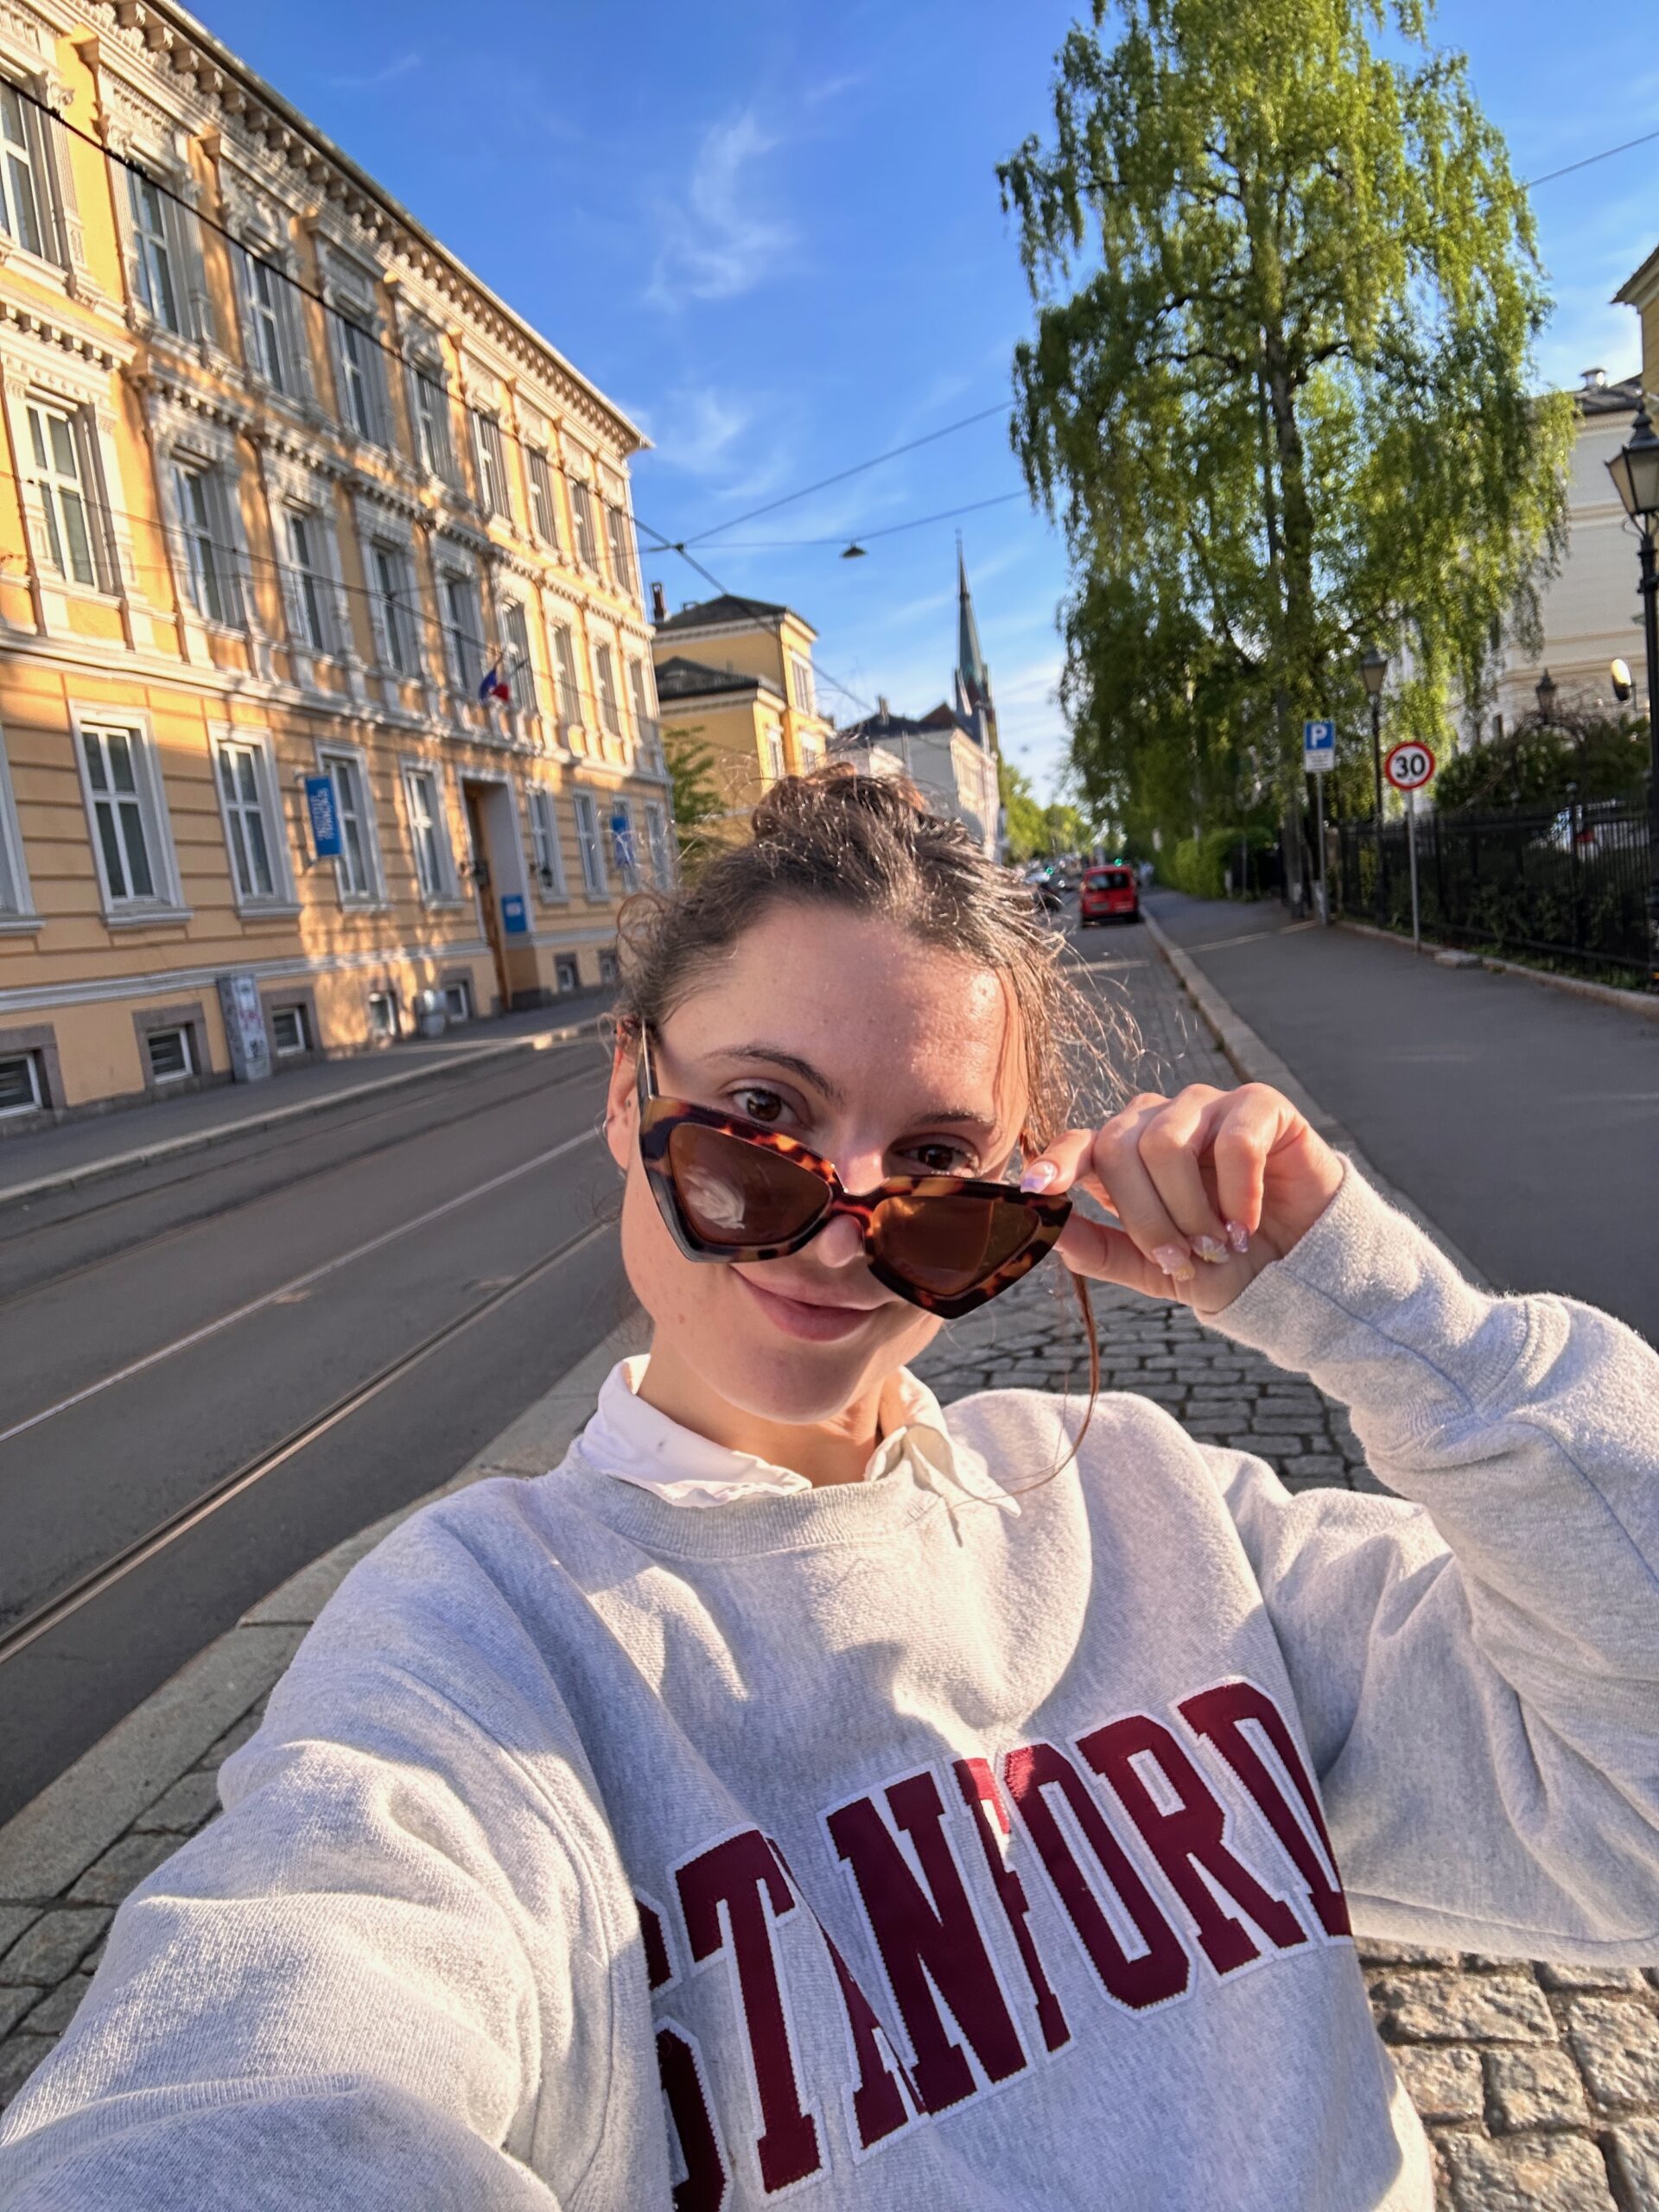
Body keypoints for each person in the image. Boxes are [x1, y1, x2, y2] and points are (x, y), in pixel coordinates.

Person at [2, 768, 1655, 2212]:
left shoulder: (1170, 1513)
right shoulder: (480, 1647)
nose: (841, 1224)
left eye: (936, 1166)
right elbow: (270, 2065)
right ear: (625, 1093)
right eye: (761, 1118)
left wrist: (1360, 1300)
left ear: (1020, 1198)